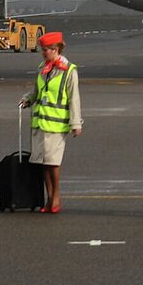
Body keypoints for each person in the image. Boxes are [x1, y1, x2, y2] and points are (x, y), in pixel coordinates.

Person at [19, 31, 82, 214]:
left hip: (56, 123)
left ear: (57, 49)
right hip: (40, 122)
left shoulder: (69, 70)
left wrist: (76, 123)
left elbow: (74, 98)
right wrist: (27, 99)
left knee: (53, 162)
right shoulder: (43, 68)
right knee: (43, 163)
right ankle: (49, 197)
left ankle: (56, 197)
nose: (44, 53)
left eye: (47, 50)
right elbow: (37, 91)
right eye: (43, 50)